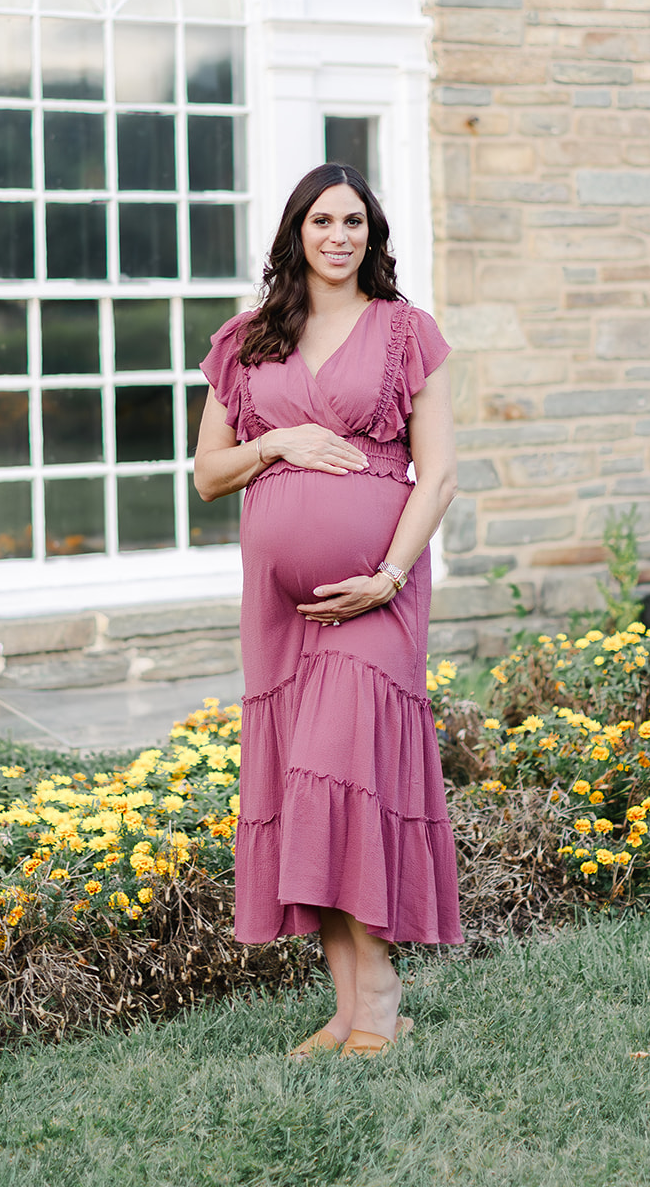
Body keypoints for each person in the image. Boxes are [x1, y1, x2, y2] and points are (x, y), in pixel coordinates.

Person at [193, 163, 462, 1059]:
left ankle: (380, 994)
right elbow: (206, 476)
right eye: (322, 220)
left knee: (343, 777)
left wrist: (387, 574)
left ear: (373, 236)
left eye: (355, 221)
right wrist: (275, 441)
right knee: (309, 787)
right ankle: (348, 1007)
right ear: (295, 233)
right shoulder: (247, 342)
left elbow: (441, 476)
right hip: (281, 618)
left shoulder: (405, 332)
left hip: (373, 600)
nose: (339, 235)